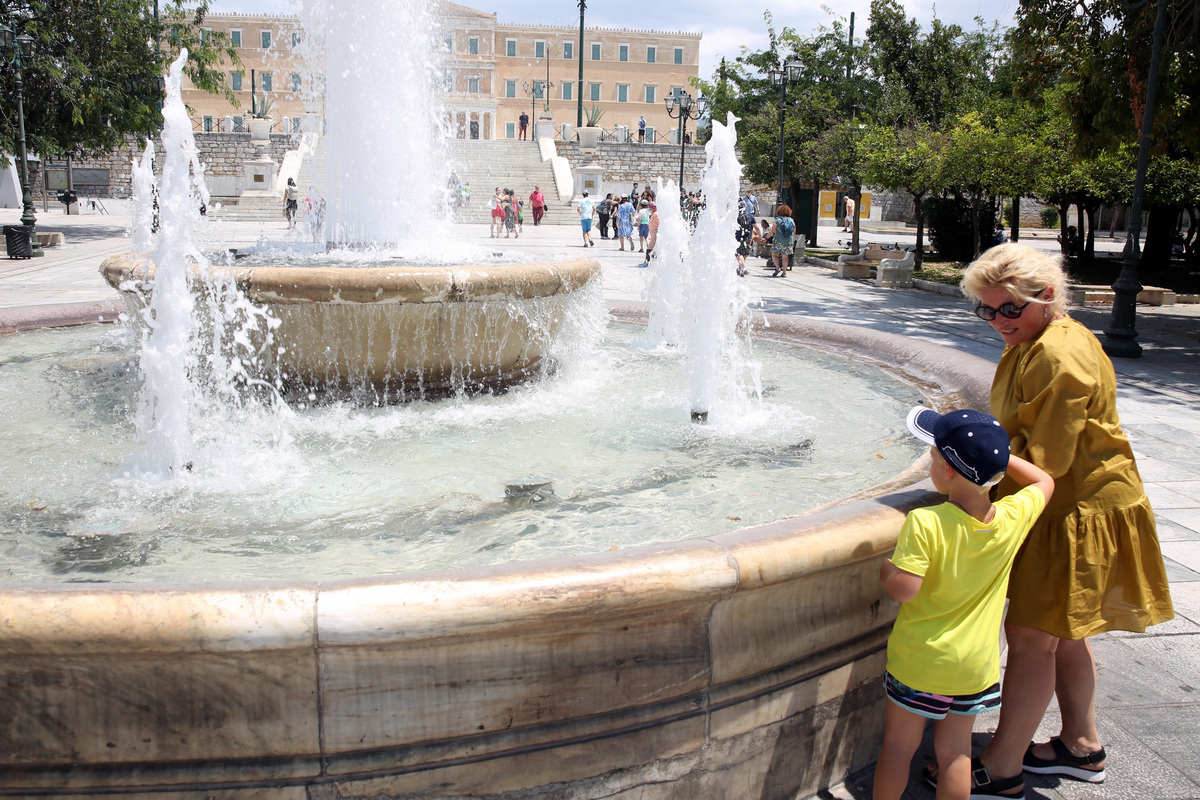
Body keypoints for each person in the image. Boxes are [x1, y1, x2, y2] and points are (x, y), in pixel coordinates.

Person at [929, 243, 1175, 799]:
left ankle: (1005, 764)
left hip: (1075, 512)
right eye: (985, 311)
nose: (997, 322)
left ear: (1046, 298)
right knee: (1064, 632)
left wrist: (964, 455)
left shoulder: (1056, 354)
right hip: (1079, 504)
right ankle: (1082, 746)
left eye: (1008, 310)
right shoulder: (1039, 338)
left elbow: (1049, 462)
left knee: (1030, 636)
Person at [875, 406, 1054, 800]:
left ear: (947, 470)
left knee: (899, 746)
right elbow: (1044, 481)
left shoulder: (928, 522)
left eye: (934, 456)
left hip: (921, 663)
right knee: (955, 752)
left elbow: (905, 588)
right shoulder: (1012, 517)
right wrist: (998, 458)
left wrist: (887, 570)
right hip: (976, 668)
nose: (931, 463)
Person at [765, 204, 796, 277]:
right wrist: (793, 241)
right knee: (785, 257)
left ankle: (777, 267)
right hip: (788, 241)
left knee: (774, 254)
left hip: (778, 240)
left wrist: (766, 238)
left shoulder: (777, 220)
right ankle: (784, 272)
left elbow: (772, 230)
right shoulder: (791, 220)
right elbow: (794, 231)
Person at [735, 203, 756, 277]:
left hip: (738, 238)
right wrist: (759, 235)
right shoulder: (750, 216)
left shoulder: (736, 216)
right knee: (744, 253)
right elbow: (756, 227)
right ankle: (740, 269)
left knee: (738, 254)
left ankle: (743, 267)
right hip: (748, 238)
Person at [643, 202, 659, 268]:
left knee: (650, 249)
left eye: (649, 207)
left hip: (655, 235)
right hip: (653, 235)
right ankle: (649, 262)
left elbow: (658, 222)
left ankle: (648, 262)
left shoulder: (655, 214)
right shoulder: (653, 214)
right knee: (651, 249)